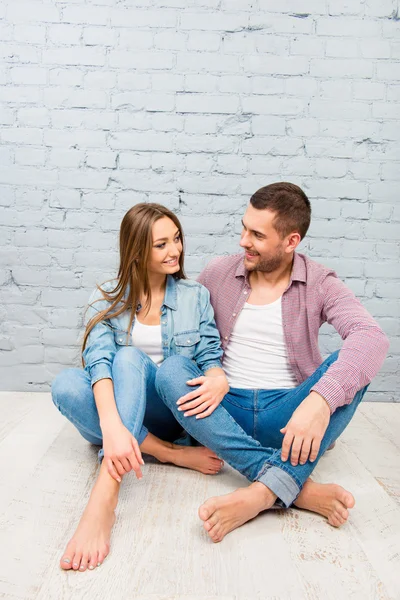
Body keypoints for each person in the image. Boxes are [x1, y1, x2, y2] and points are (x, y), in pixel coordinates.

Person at [155, 182, 389, 543]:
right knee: (171, 372)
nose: (243, 241)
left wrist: (319, 400)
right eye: (244, 228)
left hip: (290, 419)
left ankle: (259, 495)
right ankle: (288, 484)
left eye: (257, 235)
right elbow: (184, 334)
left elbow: (371, 338)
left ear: (291, 241)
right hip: (222, 411)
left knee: (354, 367)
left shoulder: (319, 282)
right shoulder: (219, 273)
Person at [51, 203, 229, 572]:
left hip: (169, 411)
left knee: (129, 359)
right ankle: (167, 454)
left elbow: (211, 355)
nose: (175, 250)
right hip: (120, 417)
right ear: (136, 250)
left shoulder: (195, 296)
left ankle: (105, 493)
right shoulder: (105, 297)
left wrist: (218, 378)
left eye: (176, 239)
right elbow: (97, 365)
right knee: (66, 385)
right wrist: (114, 427)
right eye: (161, 244)